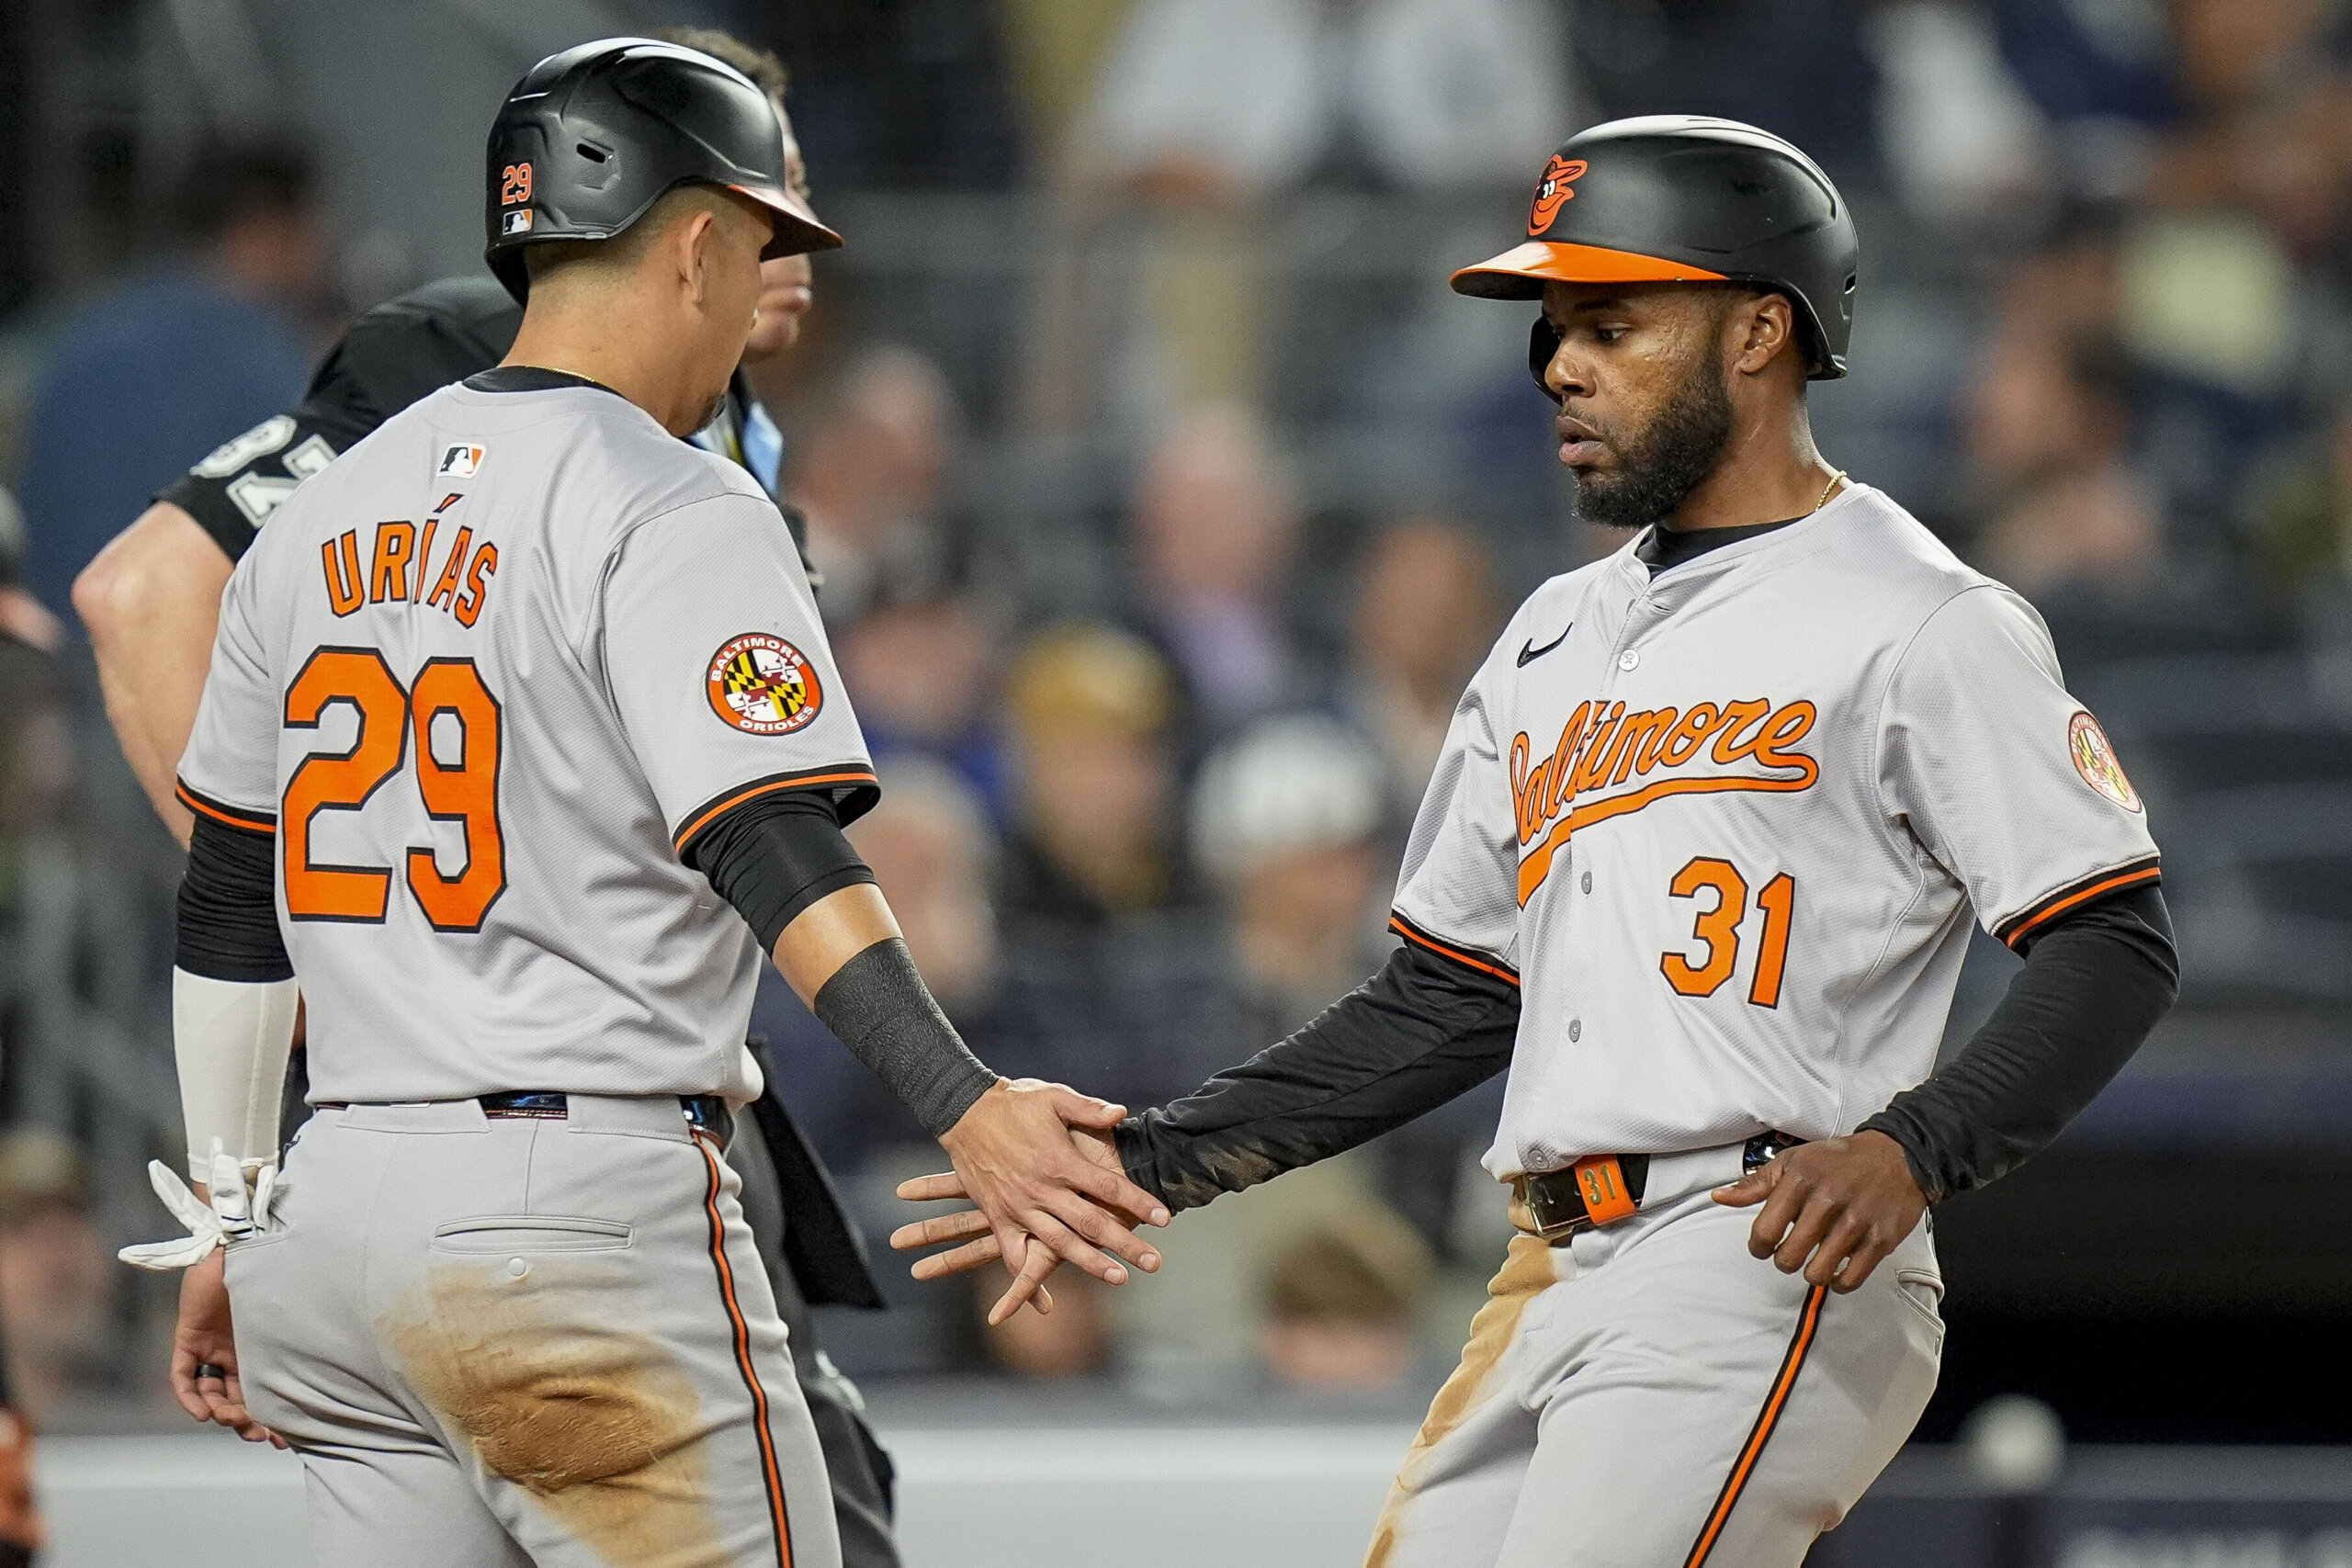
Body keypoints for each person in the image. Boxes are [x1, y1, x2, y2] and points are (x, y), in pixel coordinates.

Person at [894, 118, 2179, 1565]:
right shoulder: (1552, 633)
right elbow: (1448, 993)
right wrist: (1152, 1157)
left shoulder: (1923, 616)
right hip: (1549, 1259)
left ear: (1761, 330)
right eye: (1556, 324)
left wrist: (1917, 1144)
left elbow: (2111, 933)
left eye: (1614, 321)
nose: (1560, 363)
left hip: (1753, 1243)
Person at [118, 39, 1164, 1568]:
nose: (763, 298)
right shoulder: (673, 494)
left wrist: (231, 1211)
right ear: (690, 246)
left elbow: (228, 894)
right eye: (756, 248)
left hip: (334, 1219)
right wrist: (969, 1103)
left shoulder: (324, 510)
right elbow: (767, 837)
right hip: (572, 1217)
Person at [17, 144, 322, 620]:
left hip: (60, 636)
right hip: (177, 647)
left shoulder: (83, 331)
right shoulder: (257, 357)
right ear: (267, 228)